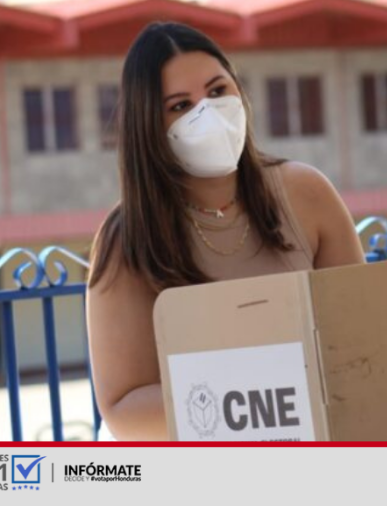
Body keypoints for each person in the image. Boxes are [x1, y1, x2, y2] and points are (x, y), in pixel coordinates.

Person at [85, 22, 365, 441]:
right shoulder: (127, 239)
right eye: (181, 105)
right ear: (148, 125)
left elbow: (364, 335)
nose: (208, 113)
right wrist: (259, 391)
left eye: (217, 91)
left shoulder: (307, 193)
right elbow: (124, 411)